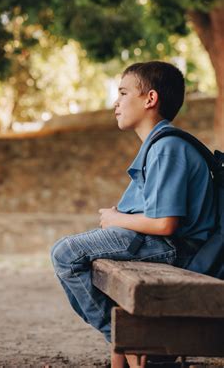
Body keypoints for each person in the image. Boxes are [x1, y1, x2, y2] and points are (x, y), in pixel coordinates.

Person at [51, 61, 215, 368]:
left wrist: (115, 219)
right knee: (86, 259)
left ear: (150, 99)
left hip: (180, 250)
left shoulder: (167, 147)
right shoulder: (158, 146)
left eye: (124, 92)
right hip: (166, 245)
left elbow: (165, 224)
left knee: (66, 254)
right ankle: (131, 347)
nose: (116, 102)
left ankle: (135, 344)